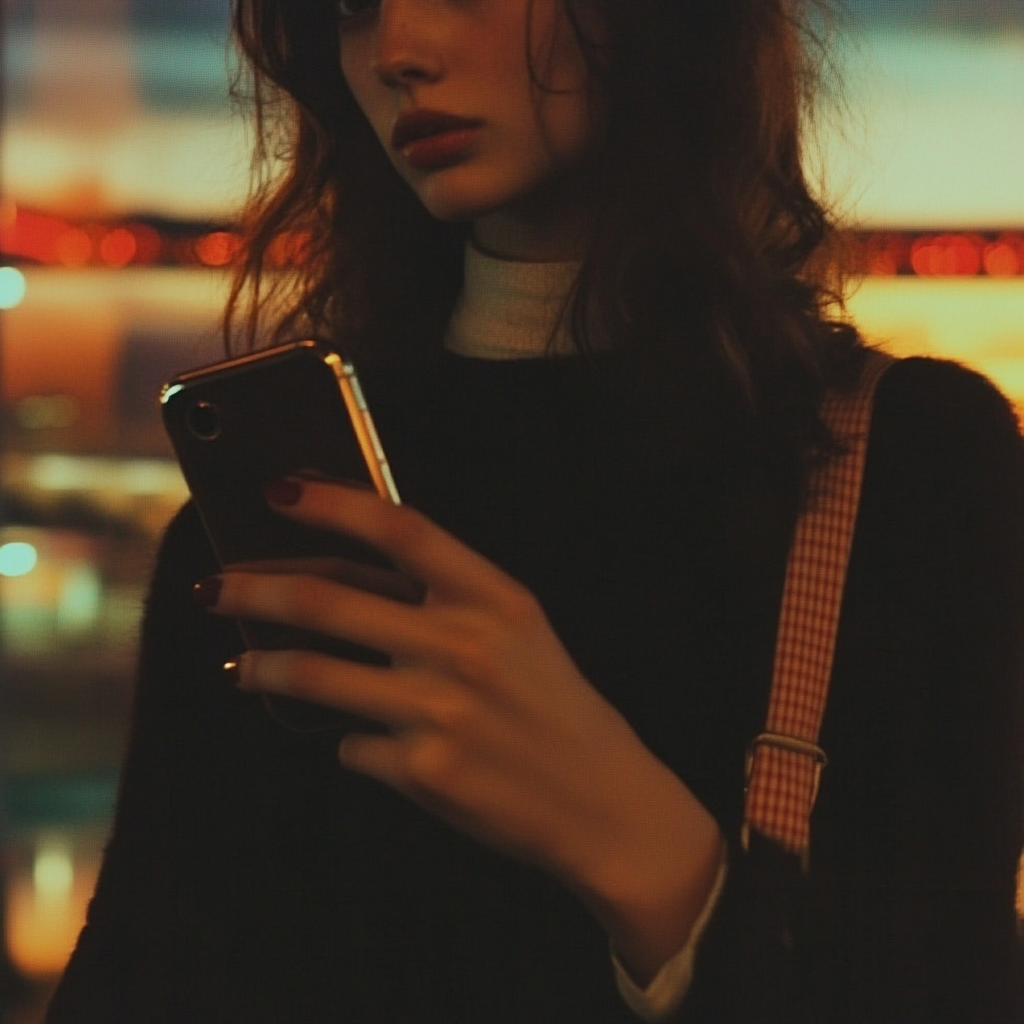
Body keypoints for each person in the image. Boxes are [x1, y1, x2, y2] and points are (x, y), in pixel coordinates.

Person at [47, 1, 1023, 1021]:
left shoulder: (911, 463)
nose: (395, 53)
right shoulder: (271, 527)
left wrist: (628, 836)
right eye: (349, 10)